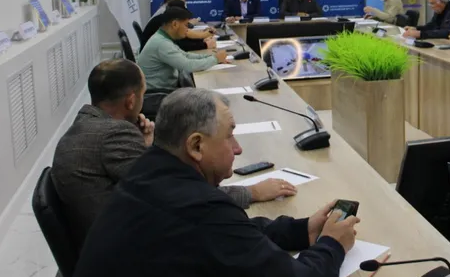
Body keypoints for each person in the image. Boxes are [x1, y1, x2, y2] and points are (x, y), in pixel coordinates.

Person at [56, 89, 360, 277]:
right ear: (196, 146)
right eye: (230, 136)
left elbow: (232, 234)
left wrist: (300, 230)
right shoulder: (198, 208)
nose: (238, 148)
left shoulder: (148, 172)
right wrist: (332, 245)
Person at [50, 61, 292, 249]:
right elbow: (178, 193)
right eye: (143, 94)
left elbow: (148, 181)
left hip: (103, 239)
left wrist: (147, 146)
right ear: (131, 101)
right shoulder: (115, 135)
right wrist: (252, 192)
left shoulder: (87, 124)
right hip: (130, 251)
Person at [138, 4, 228, 91]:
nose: (187, 29)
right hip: (159, 94)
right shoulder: (162, 44)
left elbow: (186, 55)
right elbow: (188, 66)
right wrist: (215, 60)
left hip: (166, 89)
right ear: (175, 24)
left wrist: (212, 57)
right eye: (186, 25)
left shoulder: (163, 37)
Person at [140, 0, 215, 53]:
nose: (186, 28)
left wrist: (202, 41)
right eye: (185, 24)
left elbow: (183, 41)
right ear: (175, 22)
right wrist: (204, 45)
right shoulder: (163, 24)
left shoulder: (163, 19)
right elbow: (180, 46)